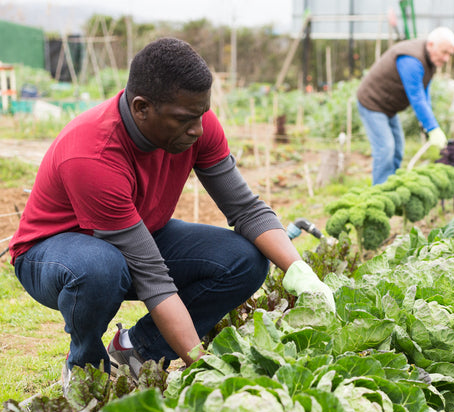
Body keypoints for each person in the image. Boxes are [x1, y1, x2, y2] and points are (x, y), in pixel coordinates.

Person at [9, 37, 334, 390]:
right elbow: (152, 276)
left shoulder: (196, 126)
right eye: (184, 119)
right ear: (142, 107)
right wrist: (202, 363)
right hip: (54, 256)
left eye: (201, 114)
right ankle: (85, 367)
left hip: (137, 235)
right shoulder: (93, 155)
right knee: (100, 269)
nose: (197, 129)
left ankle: (136, 351)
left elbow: (245, 208)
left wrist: (300, 272)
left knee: (244, 259)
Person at [356, 26, 454, 185]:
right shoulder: (412, 60)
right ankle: (379, 195)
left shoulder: (429, 59)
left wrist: (427, 123)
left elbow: (425, 93)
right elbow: (416, 97)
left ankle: (391, 187)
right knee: (385, 149)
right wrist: (432, 128)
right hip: (372, 102)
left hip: (388, 108)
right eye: (444, 52)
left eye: (449, 55)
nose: (446, 59)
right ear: (431, 45)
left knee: (397, 150)